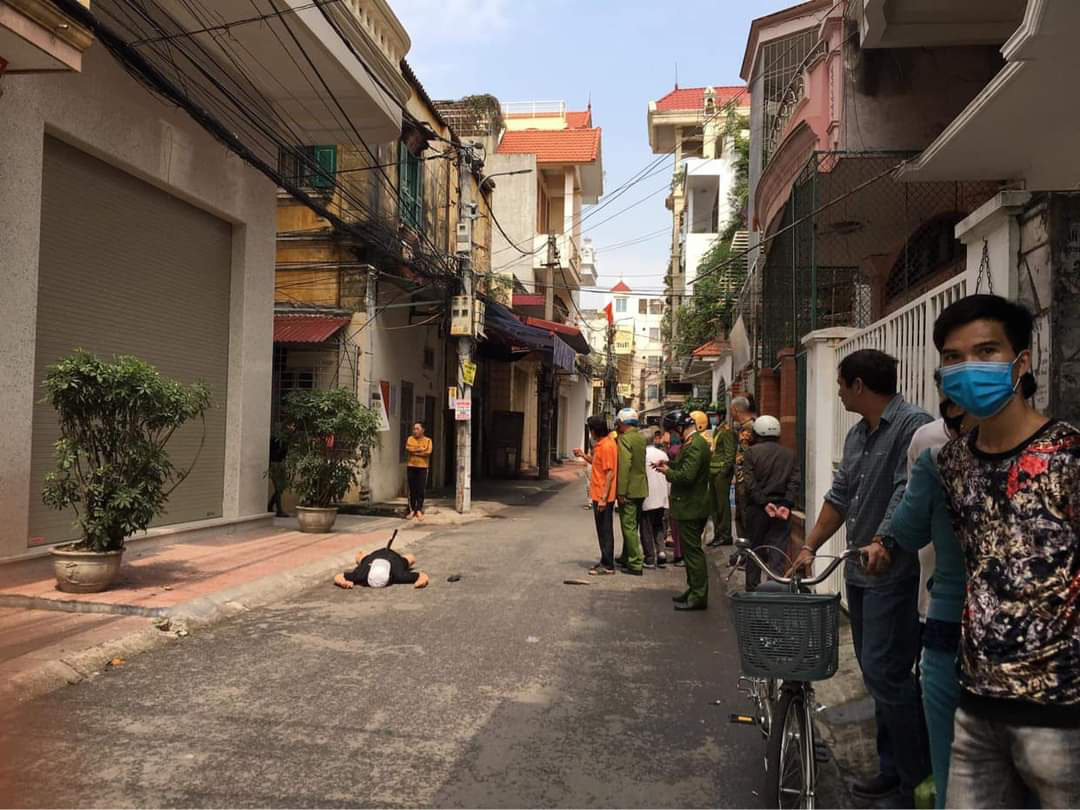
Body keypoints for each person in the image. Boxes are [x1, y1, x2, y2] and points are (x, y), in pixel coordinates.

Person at [930, 295, 1080, 809]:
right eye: (953, 357)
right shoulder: (953, 462)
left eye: (986, 351)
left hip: (1062, 711)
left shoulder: (1068, 455)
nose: (968, 366)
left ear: (1021, 363)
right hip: (976, 705)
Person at [789, 349, 932, 808]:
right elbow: (839, 497)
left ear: (858, 386)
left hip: (895, 573)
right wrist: (810, 546)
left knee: (888, 674)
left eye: (840, 384)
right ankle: (892, 770)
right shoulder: (856, 435)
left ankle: (915, 781)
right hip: (859, 573)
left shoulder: (913, 426)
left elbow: (908, 491)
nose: (836, 393)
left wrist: (884, 541)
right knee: (877, 675)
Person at [887, 377, 974, 809]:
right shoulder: (1059, 450)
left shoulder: (938, 458)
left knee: (953, 768)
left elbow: (906, 531)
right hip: (1025, 639)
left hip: (951, 618)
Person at [652, 409, 712, 611]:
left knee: (693, 553)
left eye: (671, 431)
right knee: (689, 551)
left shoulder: (695, 445)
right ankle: (693, 589)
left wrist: (668, 472)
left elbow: (687, 476)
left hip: (691, 506)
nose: (671, 435)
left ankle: (698, 595)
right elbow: (684, 465)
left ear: (679, 428)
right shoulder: (692, 443)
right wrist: (668, 464)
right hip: (689, 505)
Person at [741, 415, 801, 591]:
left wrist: (764, 503)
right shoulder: (790, 454)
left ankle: (752, 591)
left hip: (758, 509)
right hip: (782, 509)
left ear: (757, 432)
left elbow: (749, 483)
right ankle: (774, 592)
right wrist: (786, 504)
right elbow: (794, 482)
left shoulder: (751, 453)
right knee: (778, 553)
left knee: (754, 551)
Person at [575, 416, 618, 576]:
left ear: (594, 430)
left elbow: (609, 473)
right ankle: (605, 560)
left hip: (602, 496)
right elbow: (597, 463)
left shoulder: (606, 446)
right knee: (602, 529)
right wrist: (582, 455)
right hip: (599, 494)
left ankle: (608, 565)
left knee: (605, 530)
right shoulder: (602, 444)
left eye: (590, 429)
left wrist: (603, 498)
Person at [615, 408, 648, 576]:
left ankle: (635, 563)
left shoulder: (624, 439)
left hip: (628, 489)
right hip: (641, 488)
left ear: (622, 422)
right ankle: (626, 556)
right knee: (633, 525)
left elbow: (624, 465)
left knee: (628, 527)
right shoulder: (641, 438)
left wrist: (620, 492)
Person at [334, 531, 429, 589]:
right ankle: (363, 558)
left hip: (394, 557)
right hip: (374, 557)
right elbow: (423, 576)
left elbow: (338, 576)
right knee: (361, 557)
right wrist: (343, 582)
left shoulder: (397, 573)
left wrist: (343, 582)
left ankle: (362, 558)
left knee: (411, 558)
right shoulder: (362, 574)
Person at [708, 406, 737, 549]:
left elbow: (730, 455)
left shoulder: (727, 431)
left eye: (713, 415)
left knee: (722, 506)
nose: (711, 418)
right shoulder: (717, 431)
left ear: (720, 415)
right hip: (712, 472)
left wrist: (723, 473)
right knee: (713, 506)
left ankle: (725, 535)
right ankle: (717, 534)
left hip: (721, 474)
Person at [642, 428, 670, 569]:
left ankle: (649, 558)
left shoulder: (643, 455)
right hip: (662, 495)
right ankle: (661, 552)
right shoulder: (662, 454)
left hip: (648, 495)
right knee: (658, 525)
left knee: (646, 527)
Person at [730, 395, 757, 540]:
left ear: (735, 409)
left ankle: (749, 546)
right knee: (740, 515)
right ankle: (743, 546)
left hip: (747, 479)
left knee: (746, 515)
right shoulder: (742, 428)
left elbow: (748, 454)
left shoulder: (751, 427)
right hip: (741, 478)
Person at [404, 422, 432, 521]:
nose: (415, 431)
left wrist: (415, 452)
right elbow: (408, 449)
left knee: (420, 489)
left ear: (423, 430)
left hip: (423, 467)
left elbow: (428, 452)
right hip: (411, 466)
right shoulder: (410, 439)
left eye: (417, 429)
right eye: (414, 429)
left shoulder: (428, 440)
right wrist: (420, 449)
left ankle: (419, 509)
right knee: (412, 489)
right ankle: (412, 510)